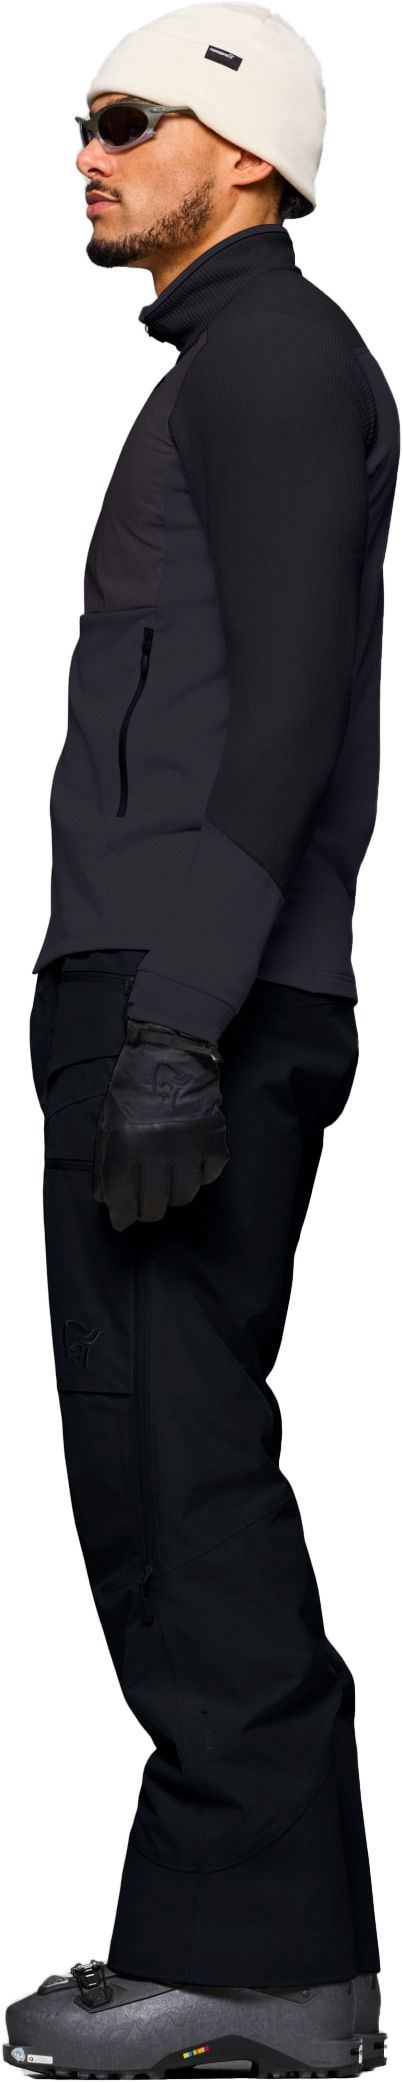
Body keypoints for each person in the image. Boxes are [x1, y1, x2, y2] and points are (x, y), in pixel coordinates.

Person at [5, 4, 399, 2075]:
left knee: (184, 1462)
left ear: (241, 153)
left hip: (199, 1001)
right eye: (82, 119)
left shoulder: (274, 364)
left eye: (125, 119)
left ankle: (266, 1970)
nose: (85, 150)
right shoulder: (222, 372)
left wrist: (173, 1019)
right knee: (148, 1466)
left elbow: (292, 708)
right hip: (166, 990)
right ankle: (245, 1941)